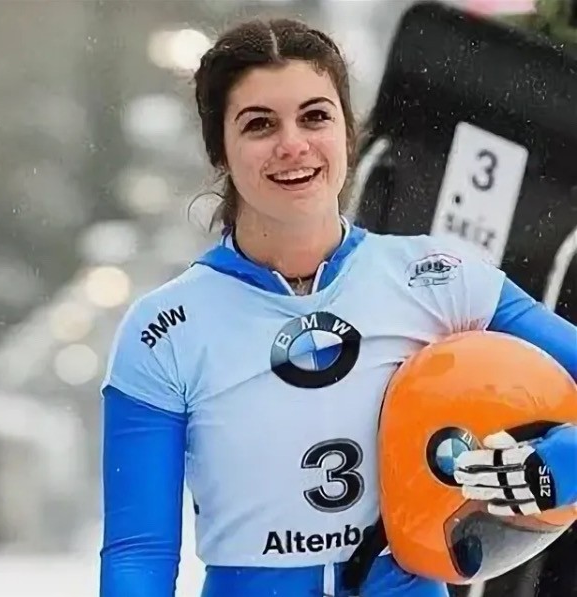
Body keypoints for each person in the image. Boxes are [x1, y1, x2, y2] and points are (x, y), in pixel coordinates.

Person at [99, 17, 577, 597]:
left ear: (348, 132)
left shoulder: (437, 278)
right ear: (218, 148)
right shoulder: (165, 329)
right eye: (259, 124)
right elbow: (139, 553)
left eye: (315, 116)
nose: (292, 145)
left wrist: (557, 466)